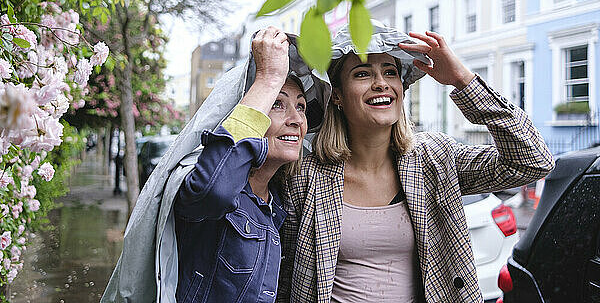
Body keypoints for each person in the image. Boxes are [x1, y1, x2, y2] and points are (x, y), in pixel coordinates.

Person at [277, 22, 554, 303]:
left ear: (401, 88)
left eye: (390, 72)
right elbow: (283, 278)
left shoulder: (435, 158)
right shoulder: (305, 176)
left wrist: (462, 80)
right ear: (336, 94)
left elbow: (533, 162)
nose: (380, 83)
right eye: (362, 74)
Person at [101, 27, 330, 303]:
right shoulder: (210, 187)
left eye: (302, 107)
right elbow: (214, 190)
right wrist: (268, 80)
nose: (296, 119)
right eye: (277, 104)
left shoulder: (278, 203)